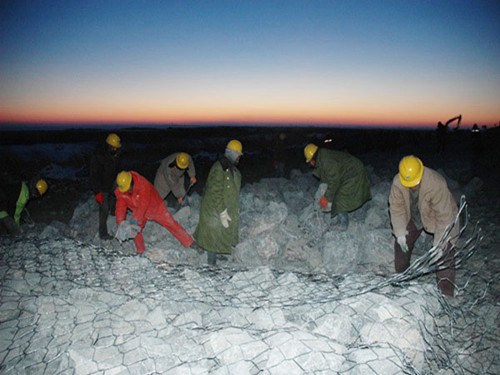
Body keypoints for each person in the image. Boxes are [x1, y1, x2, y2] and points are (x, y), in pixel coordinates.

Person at [389, 155, 458, 297]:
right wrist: (400, 233)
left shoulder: (436, 183)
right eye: (409, 183)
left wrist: (439, 244)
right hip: (415, 215)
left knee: (444, 252)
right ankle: (402, 278)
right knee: (402, 243)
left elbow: (445, 217)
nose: (413, 186)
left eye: (415, 182)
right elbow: (397, 208)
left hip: (437, 216)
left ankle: (446, 293)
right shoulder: (398, 182)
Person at [114, 170, 194, 254]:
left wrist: (135, 220)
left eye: (128, 188)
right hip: (137, 209)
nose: (127, 191)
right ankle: (140, 251)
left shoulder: (142, 184)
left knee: (171, 223)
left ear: (131, 182)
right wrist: (121, 224)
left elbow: (143, 204)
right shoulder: (121, 190)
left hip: (155, 207)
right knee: (135, 230)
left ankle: (189, 242)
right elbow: (120, 207)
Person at [193, 140, 242, 266]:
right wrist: (222, 212)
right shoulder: (219, 168)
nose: (239, 157)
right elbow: (215, 191)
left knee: (221, 231)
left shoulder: (229, 167)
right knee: (213, 233)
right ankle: (211, 263)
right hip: (213, 208)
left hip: (220, 207)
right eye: (238, 155)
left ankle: (219, 253)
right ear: (233, 153)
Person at [304, 143, 371, 231]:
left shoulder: (325, 160)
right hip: (349, 171)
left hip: (353, 172)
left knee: (340, 197)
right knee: (337, 193)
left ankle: (342, 224)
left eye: (310, 162)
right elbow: (327, 178)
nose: (311, 164)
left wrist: (326, 198)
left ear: (312, 160)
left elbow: (333, 181)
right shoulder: (322, 157)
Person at [90, 133, 123, 240]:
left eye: (116, 147)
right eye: (113, 147)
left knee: (119, 193)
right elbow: (94, 176)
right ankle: (103, 233)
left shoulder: (116, 154)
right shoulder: (98, 157)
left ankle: (114, 211)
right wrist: (97, 192)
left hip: (111, 181)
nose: (115, 149)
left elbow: (117, 169)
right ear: (108, 146)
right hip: (101, 186)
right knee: (104, 208)